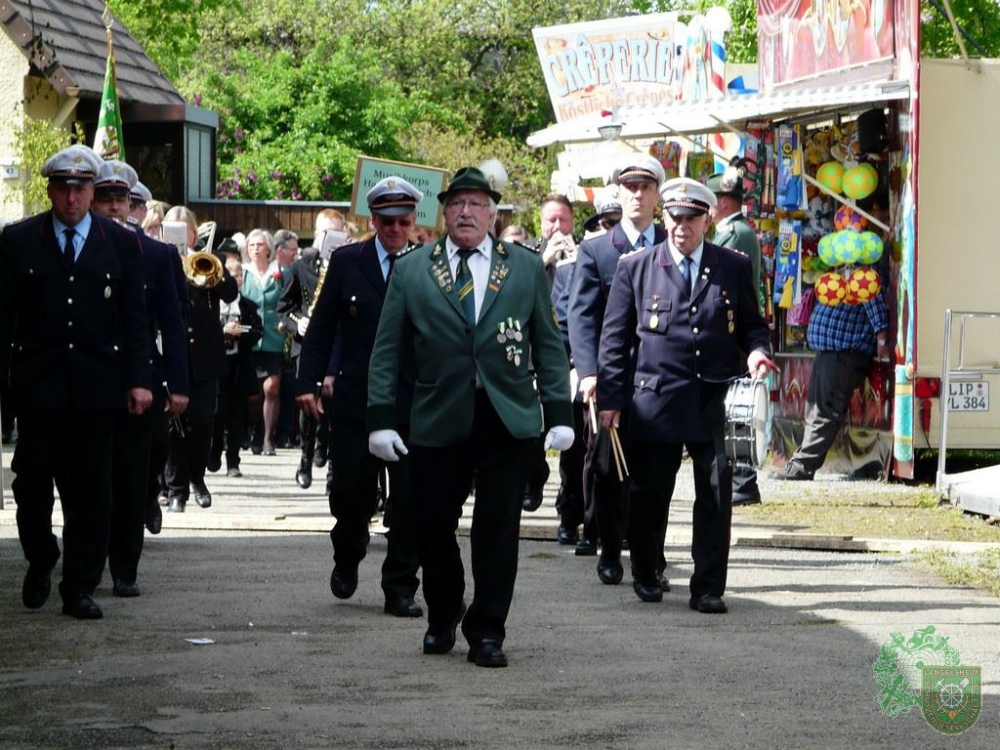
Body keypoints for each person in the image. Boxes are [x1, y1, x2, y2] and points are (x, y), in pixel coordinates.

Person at [366, 167, 574, 667]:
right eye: (457, 203)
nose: (466, 212)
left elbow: (547, 342)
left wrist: (559, 411)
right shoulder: (414, 268)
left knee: (498, 528)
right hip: (438, 414)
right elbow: (387, 350)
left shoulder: (523, 267)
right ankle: (443, 612)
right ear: (443, 212)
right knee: (432, 524)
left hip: (506, 415)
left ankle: (487, 631)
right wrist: (380, 420)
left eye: (476, 204)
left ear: (493, 214)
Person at [598, 177, 777, 613]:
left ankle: (709, 586)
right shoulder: (636, 267)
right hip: (655, 400)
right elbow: (615, 339)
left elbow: (753, 323)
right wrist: (611, 400)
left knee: (717, 494)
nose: (682, 226)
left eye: (691, 217)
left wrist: (756, 352)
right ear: (665, 218)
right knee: (650, 494)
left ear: (708, 219)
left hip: (714, 399)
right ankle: (646, 570)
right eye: (675, 217)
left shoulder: (732, 266)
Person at [0, 144, 152, 619]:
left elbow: (135, 320)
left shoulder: (121, 243)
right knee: (30, 486)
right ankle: (42, 555)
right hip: (38, 387)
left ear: (92, 192)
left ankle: (79, 585)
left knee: (92, 491)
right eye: (63, 188)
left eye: (81, 188)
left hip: (96, 386)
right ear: (49, 189)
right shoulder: (19, 239)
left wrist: (139, 380)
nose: (72, 198)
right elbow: (4, 316)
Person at [297, 177, 426, 618]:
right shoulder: (348, 261)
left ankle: (400, 588)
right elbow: (322, 327)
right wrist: (307, 382)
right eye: (387, 221)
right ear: (372, 220)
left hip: (411, 400)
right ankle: (348, 552)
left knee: (409, 500)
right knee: (351, 494)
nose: (395, 230)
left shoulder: (426, 263)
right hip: (357, 399)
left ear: (413, 221)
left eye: (403, 221)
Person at [91, 159, 189, 597]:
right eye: (106, 199)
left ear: (134, 205)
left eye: (122, 201)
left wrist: (179, 383)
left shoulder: (157, 254)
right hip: (89, 380)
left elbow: (172, 321)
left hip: (141, 379)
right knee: (91, 478)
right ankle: (87, 563)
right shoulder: (76, 249)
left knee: (132, 477)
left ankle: (125, 568)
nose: (115, 209)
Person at [568, 154, 667, 587]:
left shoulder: (673, 241)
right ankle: (610, 549)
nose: (637, 195)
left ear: (657, 195)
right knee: (608, 469)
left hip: (661, 378)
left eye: (646, 187)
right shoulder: (596, 250)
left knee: (655, 475)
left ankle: (653, 559)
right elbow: (582, 317)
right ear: (619, 193)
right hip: (612, 377)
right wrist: (588, 372)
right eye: (630, 187)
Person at [774, 249, 890, 481]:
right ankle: (799, 463)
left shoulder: (864, 275)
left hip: (843, 356)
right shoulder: (846, 275)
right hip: (831, 355)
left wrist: (882, 339)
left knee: (825, 411)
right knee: (816, 410)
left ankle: (802, 467)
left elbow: (874, 307)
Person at [163, 205, 239, 512]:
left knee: (204, 419)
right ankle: (175, 488)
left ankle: (197, 478)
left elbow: (231, 292)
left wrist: (208, 275)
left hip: (206, 354)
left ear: (195, 232)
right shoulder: (158, 258)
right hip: (173, 350)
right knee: (174, 422)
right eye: (174, 228)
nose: (182, 233)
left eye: (186, 228)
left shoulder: (212, 259)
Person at [706, 163, 765, 506]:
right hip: (734, 328)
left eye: (711, 203)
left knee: (735, 409)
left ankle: (743, 482)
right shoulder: (738, 229)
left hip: (734, 329)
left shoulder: (734, 232)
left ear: (723, 203)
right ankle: (742, 481)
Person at [279, 209, 347, 489]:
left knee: (335, 406)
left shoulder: (349, 264)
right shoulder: (302, 265)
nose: (328, 238)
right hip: (307, 345)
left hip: (337, 343)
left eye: (335, 233)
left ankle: (330, 459)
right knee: (307, 404)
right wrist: (299, 323)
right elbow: (284, 309)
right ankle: (305, 458)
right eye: (323, 233)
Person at [210, 257, 264, 477]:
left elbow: (258, 331)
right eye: (232, 275)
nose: (237, 279)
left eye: (240, 275)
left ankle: (233, 461)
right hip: (216, 367)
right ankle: (213, 453)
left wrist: (241, 334)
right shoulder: (211, 304)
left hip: (240, 366)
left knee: (237, 415)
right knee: (217, 413)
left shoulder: (248, 305)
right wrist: (223, 332)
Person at [241, 229, 285, 455]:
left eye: (260, 244)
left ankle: (268, 438)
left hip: (273, 337)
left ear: (269, 248)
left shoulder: (280, 272)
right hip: (250, 337)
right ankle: (254, 431)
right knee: (254, 394)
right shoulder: (243, 273)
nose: (256, 249)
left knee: (272, 388)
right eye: (251, 245)